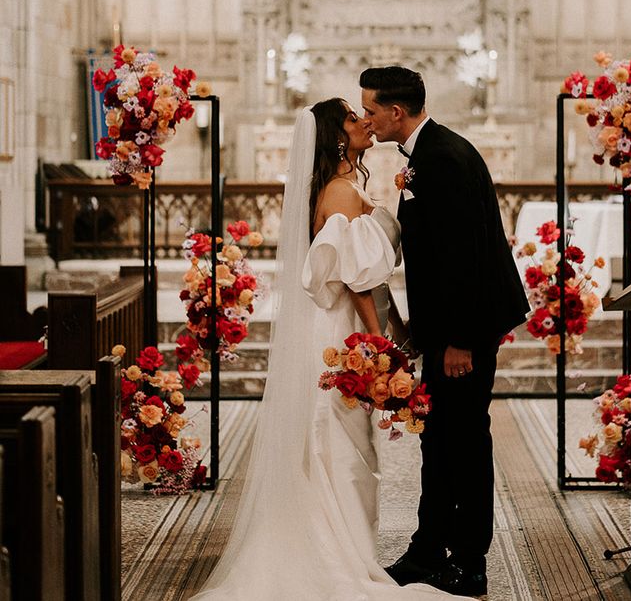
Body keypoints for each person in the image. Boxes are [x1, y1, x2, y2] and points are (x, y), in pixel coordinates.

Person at [192, 99, 471, 600]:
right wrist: (378, 345)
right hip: (342, 333)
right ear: (335, 138)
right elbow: (357, 280)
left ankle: (343, 545)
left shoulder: (344, 187)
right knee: (337, 444)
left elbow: (368, 278)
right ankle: (335, 552)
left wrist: (400, 331)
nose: (365, 121)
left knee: (345, 441)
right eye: (351, 117)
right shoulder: (341, 192)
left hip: (345, 329)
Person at [360, 66, 529, 599]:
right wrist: (416, 326)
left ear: (396, 111)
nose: (366, 119)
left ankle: (470, 560)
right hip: (448, 326)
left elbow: (464, 258)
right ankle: (429, 548)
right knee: (440, 439)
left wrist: (457, 339)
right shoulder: (429, 154)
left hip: (467, 330)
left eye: (370, 110)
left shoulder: (444, 159)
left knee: (465, 443)